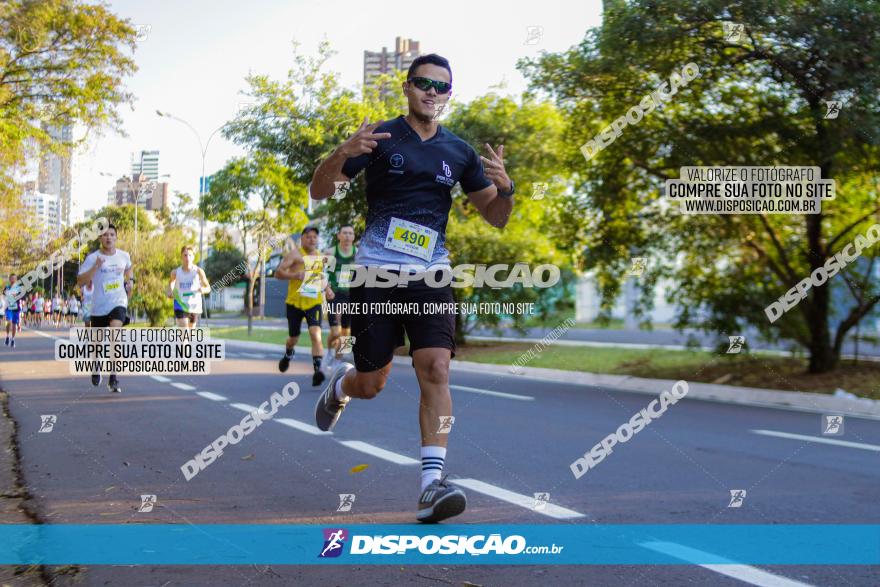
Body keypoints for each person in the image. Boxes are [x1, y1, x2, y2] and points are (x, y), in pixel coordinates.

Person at [309, 54, 515, 523]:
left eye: (441, 86)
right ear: (407, 87)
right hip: (375, 275)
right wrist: (341, 152)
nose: (431, 92)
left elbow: (497, 216)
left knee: (436, 368)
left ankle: (430, 486)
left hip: (431, 273)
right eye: (423, 83)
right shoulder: (378, 138)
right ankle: (341, 386)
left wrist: (506, 189)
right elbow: (321, 191)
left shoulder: (459, 152)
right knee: (373, 382)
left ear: (448, 94)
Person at [76, 223, 133, 393]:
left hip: (118, 301)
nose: (108, 237)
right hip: (99, 305)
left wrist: (130, 282)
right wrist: (95, 267)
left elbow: (129, 269)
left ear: (116, 238)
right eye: (105, 235)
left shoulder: (124, 256)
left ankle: (114, 377)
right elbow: (80, 281)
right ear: (100, 238)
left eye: (112, 234)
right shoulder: (93, 258)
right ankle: (96, 367)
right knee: (97, 344)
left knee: (115, 336)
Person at [274, 227, 333, 386]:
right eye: (309, 237)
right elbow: (278, 273)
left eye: (315, 237)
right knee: (294, 338)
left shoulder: (320, 257)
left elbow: (321, 277)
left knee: (316, 333)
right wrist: (295, 275)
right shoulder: (294, 254)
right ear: (302, 239)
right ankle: (288, 354)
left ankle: (318, 371)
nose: (312, 239)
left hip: (313, 302)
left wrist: (327, 289)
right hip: (294, 303)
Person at [322, 224, 357, 373]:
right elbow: (319, 273)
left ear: (354, 237)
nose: (348, 236)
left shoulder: (358, 253)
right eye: (345, 233)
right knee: (336, 333)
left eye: (350, 233)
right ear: (339, 236)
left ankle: (337, 361)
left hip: (350, 295)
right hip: (334, 294)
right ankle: (329, 352)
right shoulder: (331, 252)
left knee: (346, 337)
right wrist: (327, 288)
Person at [168, 246, 211, 328]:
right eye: (185, 255)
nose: (187, 257)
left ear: (193, 257)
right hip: (180, 304)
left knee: (190, 332)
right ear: (181, 256)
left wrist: (203, 289)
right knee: (184, 332)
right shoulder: (175, 272)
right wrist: (170, 291)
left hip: (194, 305)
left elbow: (208, 288)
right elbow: (171, 283)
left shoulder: (198, 271)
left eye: (190, 255)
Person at [3, 274, 20, 348]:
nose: (13, 280)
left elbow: (22, 296)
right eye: (12, 278)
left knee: (14, 325)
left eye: (14, 278)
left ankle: (13, 339)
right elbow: (4, 294)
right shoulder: (7, 287)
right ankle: (7, 336)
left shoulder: (19, 288)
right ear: (9, 279)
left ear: (16, 280)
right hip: (8, 308)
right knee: (8, 322)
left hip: (16, 308)